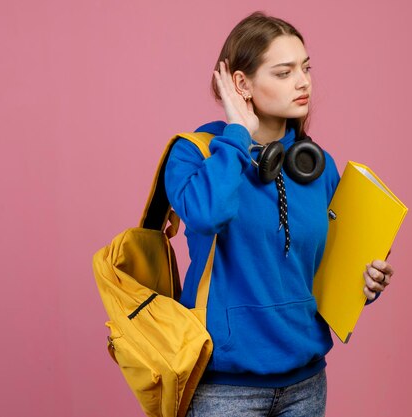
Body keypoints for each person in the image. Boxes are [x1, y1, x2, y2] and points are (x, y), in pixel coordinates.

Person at [164, 11, 395, 417]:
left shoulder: (317, 165)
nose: (303, 82)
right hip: (225, 389)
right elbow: (206, 215)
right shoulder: (193, 154)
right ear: (242, 83)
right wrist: (237, 134)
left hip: (306, 382)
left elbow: (325, 273)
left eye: (305, 69)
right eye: (284, 72)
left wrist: (365, 282)